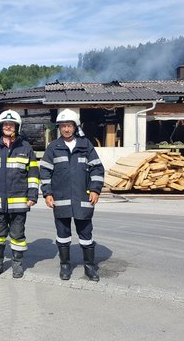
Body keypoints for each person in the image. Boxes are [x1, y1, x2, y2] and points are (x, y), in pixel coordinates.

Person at [39, 109, 104, 282]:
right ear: (59, 128)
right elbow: (45, 172)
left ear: (75, 127)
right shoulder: (53, 147)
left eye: (69, 126)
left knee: (86, 234)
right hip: (60, 199)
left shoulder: (85, 145)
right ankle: (65, 266)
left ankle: (90, 267)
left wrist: (96, 189)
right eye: (63, 126)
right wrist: (47, 194)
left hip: (83, 199)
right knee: (63, 234)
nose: (66, 129)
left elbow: (97, 168)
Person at [0, 109, 39, 279]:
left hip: (20, 201)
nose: (8, 127)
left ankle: (17, 265)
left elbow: (33, 173)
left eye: (11, 124)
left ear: (16, 127)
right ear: (0, 126)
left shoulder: (25, 147)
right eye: (5, 124)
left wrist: (32, 196)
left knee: (18, 235)